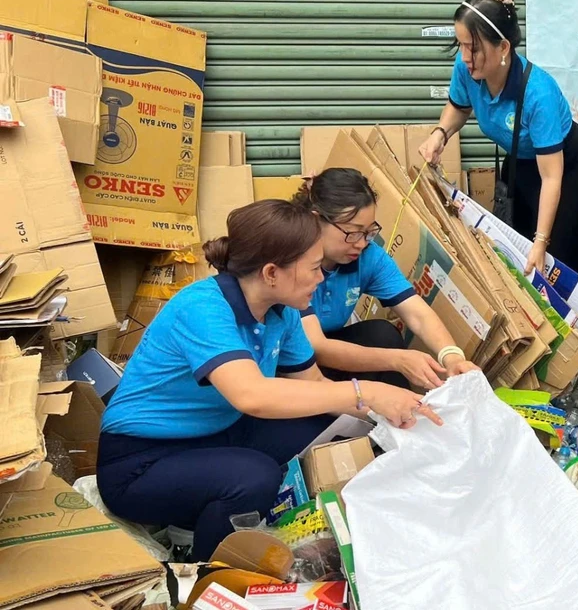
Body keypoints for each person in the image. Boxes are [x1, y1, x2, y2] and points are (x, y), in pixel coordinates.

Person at [96, 200, 441, 561]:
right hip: (140, 461)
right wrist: (365, 389)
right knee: (255, 477)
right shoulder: (202, 308)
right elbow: (252, 396)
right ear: (272, 272)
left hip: (218, 432)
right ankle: (201, 572)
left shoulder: (283, 312)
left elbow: (315, 386)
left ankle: (210, 516)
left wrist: (394, 420)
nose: (321, 277)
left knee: (330, 433)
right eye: (312, 268)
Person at [417, 0, 578, 288]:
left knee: (559, 257)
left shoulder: (538, 94)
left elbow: (551, 178)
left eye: (474, 48)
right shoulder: (467, 67)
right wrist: (440, 134)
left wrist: (542, 240)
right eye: (461, 45)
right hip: (521, 163)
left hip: (566, 169)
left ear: (503, 47)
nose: (465, 57)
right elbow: (458, 106)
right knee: (516, 249)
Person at [292, 168, 480, 390]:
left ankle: (401, 417)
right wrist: (398, 360)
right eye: (352, 232)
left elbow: (416, 313)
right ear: (316, 221)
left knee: (381, 334)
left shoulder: (368, 257)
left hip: (330, 351)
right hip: (289, 366)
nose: (361, 243)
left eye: (369, 232)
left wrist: (452, 357)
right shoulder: (290, 260)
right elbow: (315, 346)